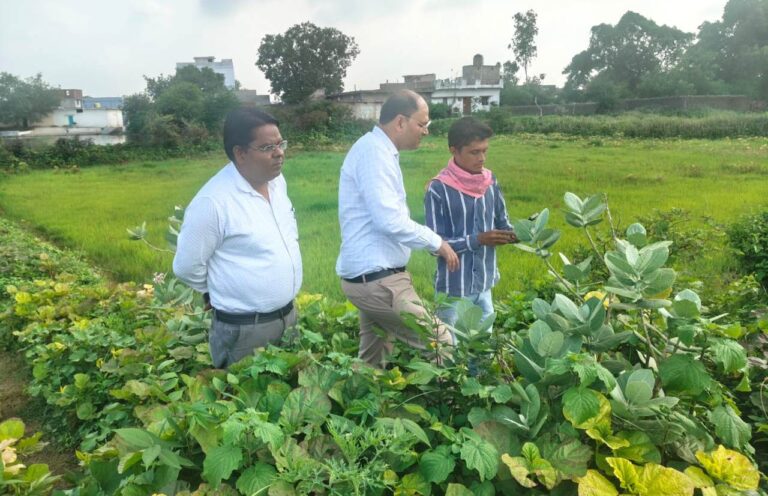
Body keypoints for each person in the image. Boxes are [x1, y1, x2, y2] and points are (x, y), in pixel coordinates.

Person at [336, 89, 459, 367]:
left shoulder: (378, 150)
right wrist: (437, 243)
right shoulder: (374, 153)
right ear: (401, 122)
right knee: (440, 341)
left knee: (374, 358)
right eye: (422, 124)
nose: (426, 131)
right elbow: (389, 219)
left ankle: (365, 391)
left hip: (372, 278)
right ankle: (447, 395)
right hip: (378, 282)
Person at [173, 107, 302, 369]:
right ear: (240, 153)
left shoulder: (277, 182)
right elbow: (186, 266)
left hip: (288, 317)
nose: (279, 153)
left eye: (280, 144)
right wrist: (216, 289)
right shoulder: (213, 202)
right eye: (267, 147)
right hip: (245, 331)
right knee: (245, 393)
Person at [425, 117, 516, 327]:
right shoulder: (438, 189)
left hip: (484, 284)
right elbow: (434, 244)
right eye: (474, 152)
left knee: (483, 342)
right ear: (454, 151)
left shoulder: (490, 181)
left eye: (484, 151)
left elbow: (504, 224)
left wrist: (521, 233)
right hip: (453, 290)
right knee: (449, 344)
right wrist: (478, 240)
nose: (482, 158)